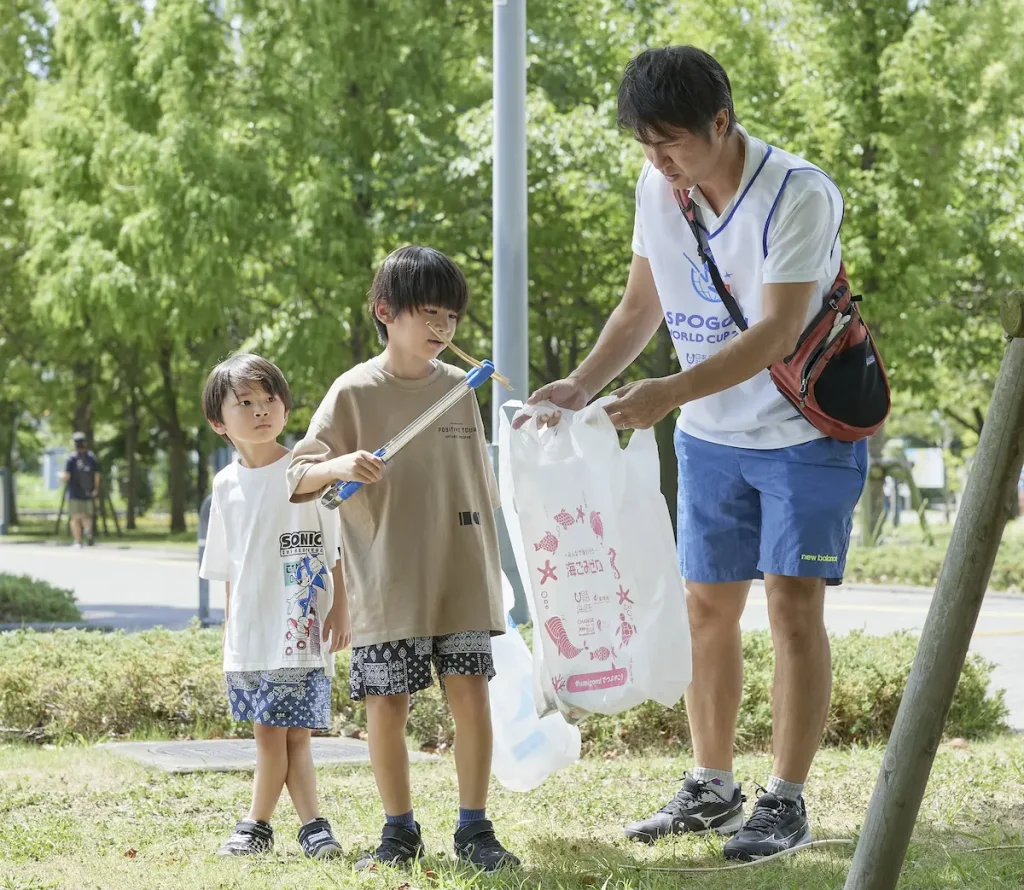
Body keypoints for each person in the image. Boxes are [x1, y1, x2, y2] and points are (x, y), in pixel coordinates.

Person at [523, 46, 868, 861]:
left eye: (671, 143)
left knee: (793, 608)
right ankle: (712, 786)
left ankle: (785, 799)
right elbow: (642, 305)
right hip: (712, 437)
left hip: (802, 432)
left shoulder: (800, 194)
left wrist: (662, 396)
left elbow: (778, 330)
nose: (659, 162)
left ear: (722, 121)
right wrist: (580, 383)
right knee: (706, 609)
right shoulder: (658, 187)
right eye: (645, 145)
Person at [288, 245, 519, 872]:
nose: (442, 330)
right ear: (385, 311)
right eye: (429, 314)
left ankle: (475, 829)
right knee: (386, 705)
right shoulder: (353, 391)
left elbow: (480, 488)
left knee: (471, 693)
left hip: (460, 574)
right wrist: (340, 464)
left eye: (451, 317)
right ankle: (399, 832)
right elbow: (299, 474)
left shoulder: (461, 389)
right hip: (386, 579)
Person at [199, 353, 352, 859]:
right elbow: (227, 571)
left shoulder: (306, 474)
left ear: (286, 409)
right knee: (281, 734)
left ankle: (257, 824)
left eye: (270, 399)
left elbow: (337, 549)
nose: (262, 409)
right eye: (246, 402)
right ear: (220, 422)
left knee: (281, 734)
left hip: (300, 625)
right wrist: (229, 634)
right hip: (250, 631)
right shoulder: (224, 486)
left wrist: (342, 607)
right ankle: (312, 827)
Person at [61, 432, 100, 548]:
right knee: (86, 516)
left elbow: (66, 476)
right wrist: (95, 489)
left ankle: (78, 541)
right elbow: (97, 474)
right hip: (88, 491)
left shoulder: (71, 458)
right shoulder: (91, 457)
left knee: (74, 518)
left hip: (74, 492)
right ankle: (87, 531)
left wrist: (62, 478)